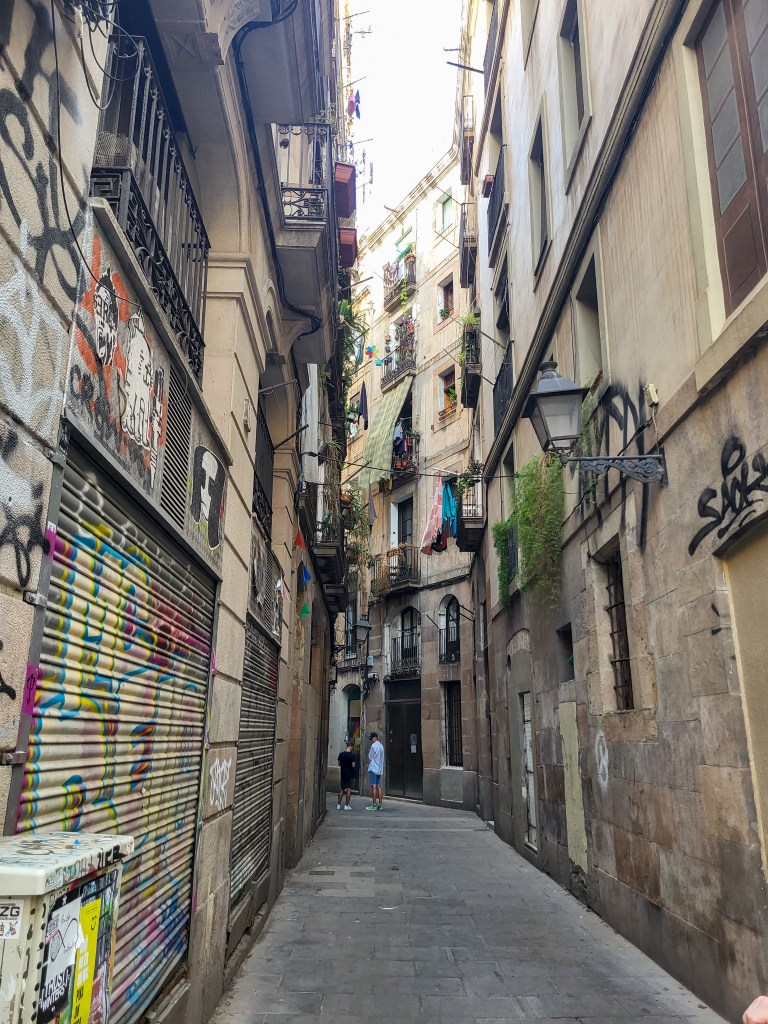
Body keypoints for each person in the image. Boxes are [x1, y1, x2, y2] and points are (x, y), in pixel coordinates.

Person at [366, 730, 384, 811]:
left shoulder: (373, 746)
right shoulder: (381, 746)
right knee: (378, 786)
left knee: (373, 786)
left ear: (375, 738)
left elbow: (370, 756)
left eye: (371, 738)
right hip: (379, 769)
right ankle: (380, 804)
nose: (371, 740)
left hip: (373, 768)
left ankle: (374, 804)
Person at [337, 742, 357, 810]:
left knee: (342, 789)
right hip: (350, 774)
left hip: (343, 773)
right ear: (351, 746)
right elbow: (353, 765)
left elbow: (339, 763)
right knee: (349, 789)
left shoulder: (341, 754)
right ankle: (346, 805)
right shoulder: (352, 756)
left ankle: (338, 805)